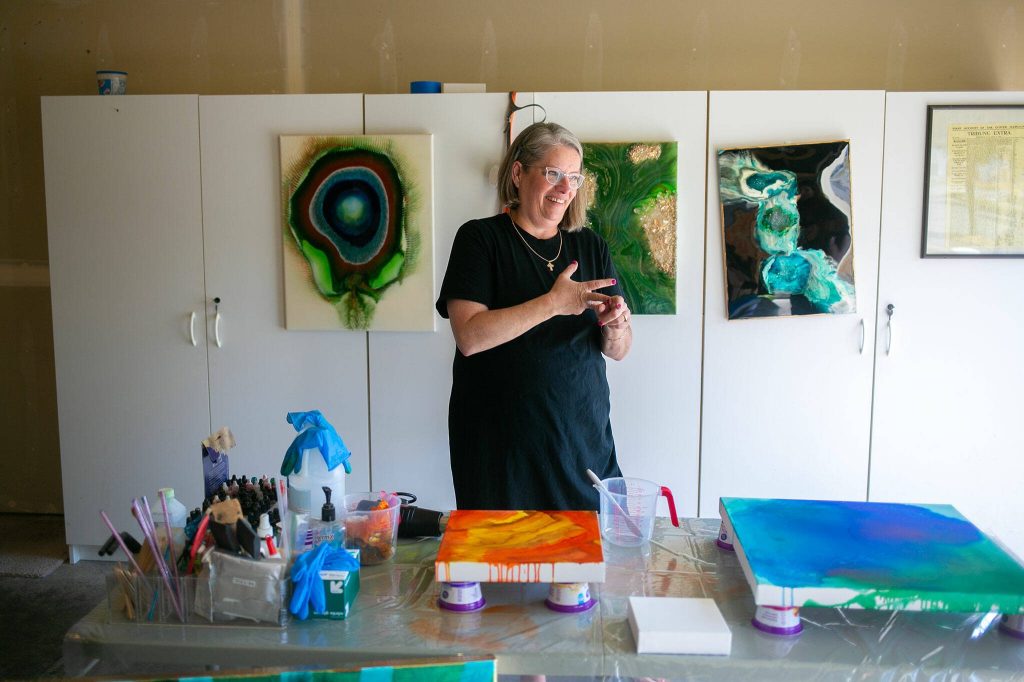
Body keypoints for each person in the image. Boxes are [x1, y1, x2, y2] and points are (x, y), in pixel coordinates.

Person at [435, 121, 633, 511]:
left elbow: (620, 349)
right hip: (502, 452)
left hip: (582, 442)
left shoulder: (590, 245)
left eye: (573, 177)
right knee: (505, 566)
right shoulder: (480, 240)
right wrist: (554, 303)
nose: (565, 189)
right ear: (518, 173)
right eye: (553, 174)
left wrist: (616, 327)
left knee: (585, 566)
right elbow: (470, 337)